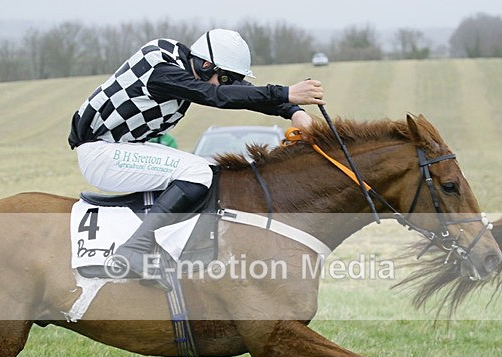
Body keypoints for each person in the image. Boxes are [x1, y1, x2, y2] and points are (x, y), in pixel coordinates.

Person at [68, 28, 324, 289]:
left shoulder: (188, 64)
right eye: (225, 77)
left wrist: (292, 111)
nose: (227, 83)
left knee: (210, 171)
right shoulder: (162, 70)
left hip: (121, 148)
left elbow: (236, 90)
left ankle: (166, 252)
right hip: (101, 154)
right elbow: (215, 96)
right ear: (205, 65)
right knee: (197, 172)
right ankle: (134, 249)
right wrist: (284, 93)